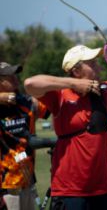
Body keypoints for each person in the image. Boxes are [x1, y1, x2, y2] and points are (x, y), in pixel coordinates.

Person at [24, 45, 107, 210]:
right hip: (69, 192)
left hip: (102, 191)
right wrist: (74, 84)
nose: (99, 66)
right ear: (76, 71)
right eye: (92, 64)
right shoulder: (61, 94)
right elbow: (30, 83)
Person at [0, 62, 50, 210]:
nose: (16, 79)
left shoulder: (26, 102)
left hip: (28, 183)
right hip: (6, 189)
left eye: (15, 74)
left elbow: (54, 106)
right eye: (10, 76)